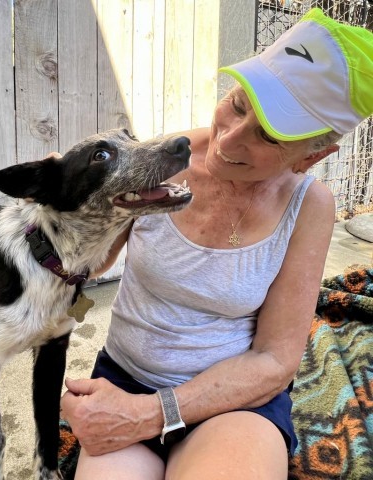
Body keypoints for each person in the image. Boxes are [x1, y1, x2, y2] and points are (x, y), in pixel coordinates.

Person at [60, 8, 373, 480]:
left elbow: (275, 360)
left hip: (232, 404)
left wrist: (147, 415)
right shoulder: (168, 155)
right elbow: (93, 263)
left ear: (313, 155)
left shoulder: (309, 207)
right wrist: (64, 214)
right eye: (239, 104)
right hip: (125, 378)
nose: (229, 138)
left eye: (269, 135)